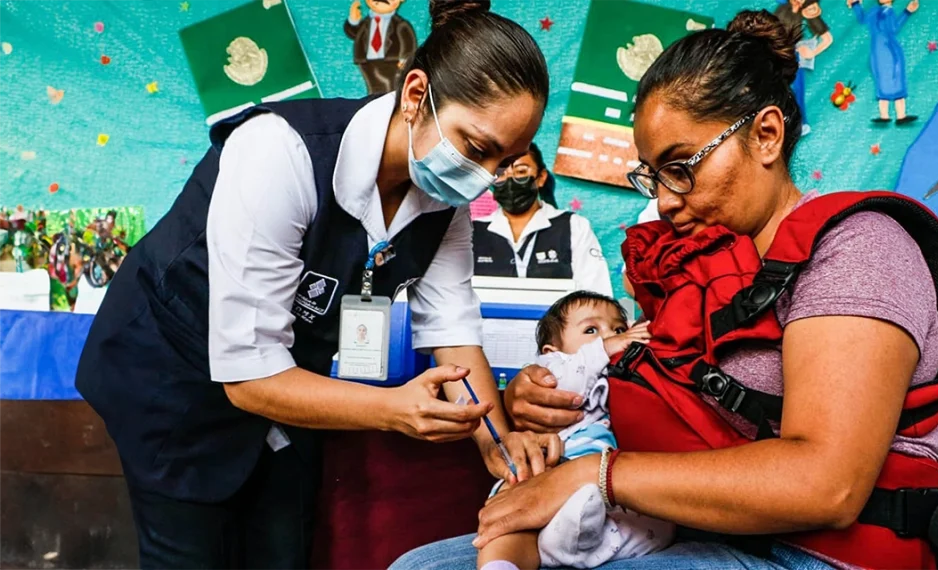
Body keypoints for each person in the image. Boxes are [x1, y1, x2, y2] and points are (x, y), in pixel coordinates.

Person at [393, 8, 938, 570]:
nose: (665, 200)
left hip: (810, 553)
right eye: (652, 173)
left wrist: (596, 474)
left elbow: (828, 484)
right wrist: (544, 395)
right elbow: (646, 384)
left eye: (680, 165)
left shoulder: (861, 248)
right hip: (694, 534)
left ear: (766, 135)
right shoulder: (709, 271)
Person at [75, 1, 557, 568]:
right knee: (191, 551)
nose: (485, 178)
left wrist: (496, 444)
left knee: (287, 547)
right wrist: (392, 410)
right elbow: (250, 378)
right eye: (476, 148)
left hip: (292, 387)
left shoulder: (443, 202)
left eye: (503, 160)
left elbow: (450, 325)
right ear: (415, 94)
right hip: (173, 383)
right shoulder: (279, 153)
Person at [477, 292, 669, 570]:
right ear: (551, 351)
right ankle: (501, 565)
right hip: (552, 465)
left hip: (611, 480)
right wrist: (609, 346)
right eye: (591, 330)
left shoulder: (625, 367)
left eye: (618, 328)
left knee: (654, 525)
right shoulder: (553, 368)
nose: (610, 336)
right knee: (508, 519)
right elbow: (573, 379)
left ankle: (571, 547)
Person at [474, 145, 613, 296]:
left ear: (541, 177)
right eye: (501, 173)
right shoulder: (473, 232)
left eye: (521, 171)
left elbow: (596, 292)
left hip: (556, 319)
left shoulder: (573, 226)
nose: (510, 180)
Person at [849, 0, 920, 124]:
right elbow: (863, 19)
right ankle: (885, 115)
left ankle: (900, 115)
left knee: (895, 78)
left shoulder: (888, 11)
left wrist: (908, 12)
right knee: (883, 79)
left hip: (888, 49)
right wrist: (855, 4)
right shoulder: (876, 10)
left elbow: (894, 28)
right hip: (880, 50)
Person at [774, 0, 834, 135]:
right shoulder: (783, 7)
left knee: (795, 91)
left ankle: (800, 124)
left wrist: (812, 52)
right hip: (775, 54)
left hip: (793, 58)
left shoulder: (807, 12)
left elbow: (828, 39)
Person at [344, 0, 417, 95]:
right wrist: (353, 20)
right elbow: (354, 34)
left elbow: (408, 43)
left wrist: (405, 59)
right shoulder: (366, 23)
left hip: (391, 63)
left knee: (390, 88)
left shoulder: (400, 24)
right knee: (373, 90)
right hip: (366, 63)